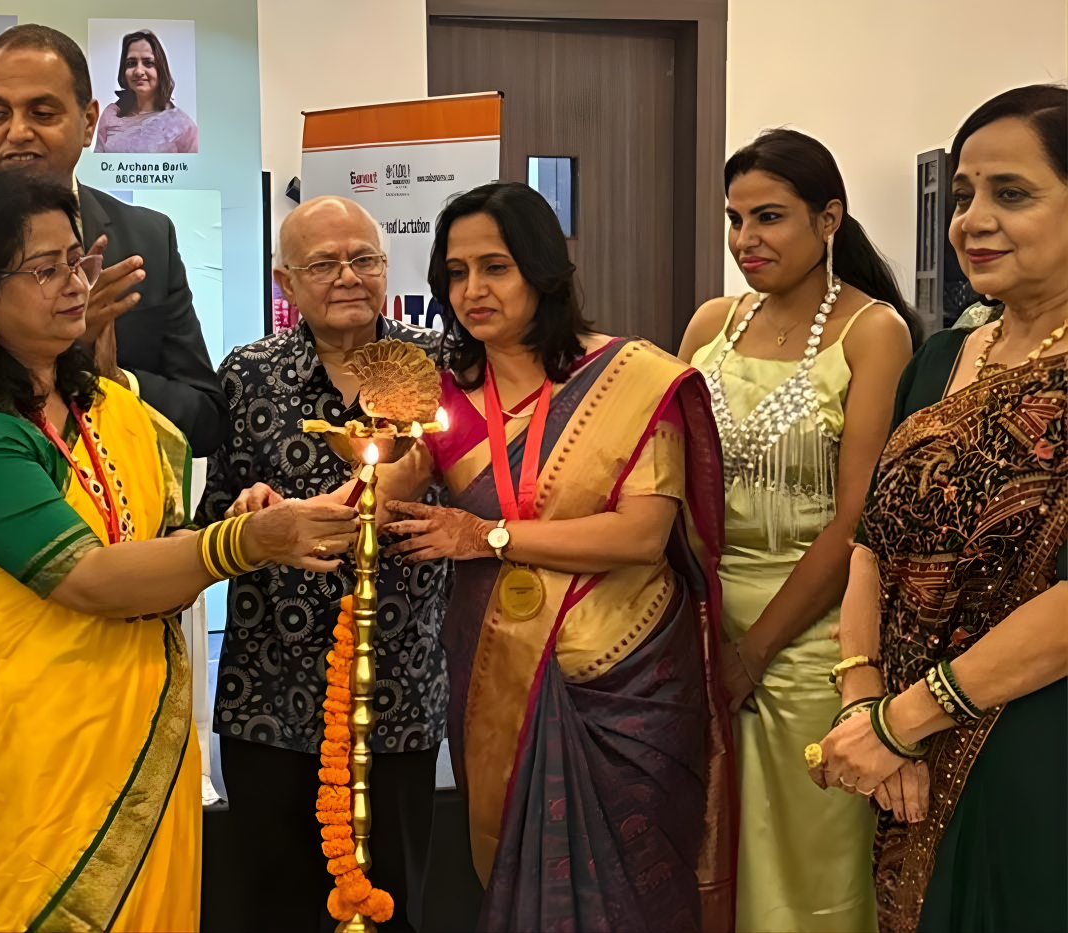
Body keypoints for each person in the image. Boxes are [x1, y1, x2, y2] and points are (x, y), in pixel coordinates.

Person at [0, 170, 357, 931]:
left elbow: (153, 553)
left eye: (77, 261)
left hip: (134, 736)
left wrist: (236, 524)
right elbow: (90, 577)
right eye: (43, 270)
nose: (74, 284)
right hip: (18, 759)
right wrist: (241, 544)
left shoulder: (107, 406)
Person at [378, 182, 736, 932]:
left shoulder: (633, 380)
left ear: (541, 270)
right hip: (498, 677)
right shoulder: (446, 400)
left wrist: (488, 536)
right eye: (455, 272)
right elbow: (377, 495)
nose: (472, 290)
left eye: (495, 267)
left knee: (634, 897)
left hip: (630, 677)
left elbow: (641, 535)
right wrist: (295, 507)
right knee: (522, 889)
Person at [0, 23, 227, 647]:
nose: (17, 132)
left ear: (89, 121)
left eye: (41, 112)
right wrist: (60, 353)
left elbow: (204, 420)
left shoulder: (146, 237)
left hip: (131, 586)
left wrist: (113, 381)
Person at [813, 84, 1068, 933]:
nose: (972, 220)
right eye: (963, 195)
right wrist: (863, 700)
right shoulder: (941, 357)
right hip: (906, 747)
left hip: (1035, 744)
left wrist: (905, 717)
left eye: (1012, 193)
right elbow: (873, 540)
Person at [676, 129, 916, 933]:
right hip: (701, 619)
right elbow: (668, 479)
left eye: (770, 216)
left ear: (829, 219)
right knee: (709, 851)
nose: (746, 238)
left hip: (814, 633)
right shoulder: (711, 323)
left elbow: (856, 519)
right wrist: (697, 630)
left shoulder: (873, 331)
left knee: (809, 864)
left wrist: (754, 652)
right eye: (735, 218)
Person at [197, 196, 449, 932]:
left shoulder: (438, 366)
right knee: (275, 906)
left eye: (363, 259)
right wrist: (248, 511)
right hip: (268, 693)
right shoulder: (247, 374)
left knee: (391, 904)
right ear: (285, 282)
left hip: (398, 689)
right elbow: (209, 523)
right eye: (323, 264)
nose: (347, 276)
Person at [94, 29, 199, 154]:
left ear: (161, 69)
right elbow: (98, 162)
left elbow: (196, 166)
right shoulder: (111, 114)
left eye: (148, 63)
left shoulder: (182, 125)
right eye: (131, 63)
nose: (138, 71)